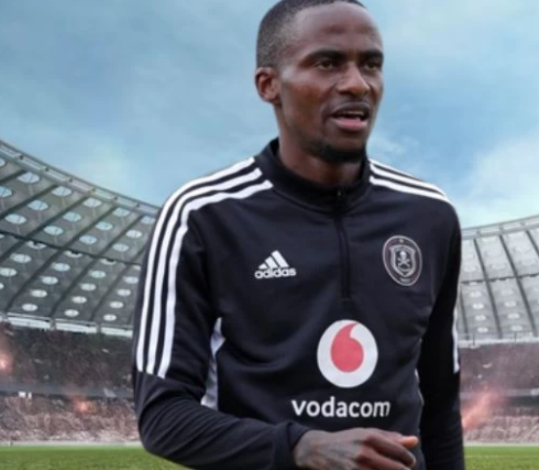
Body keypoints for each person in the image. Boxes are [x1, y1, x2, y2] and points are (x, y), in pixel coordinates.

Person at [131, 1, 465, 469]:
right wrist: (300, 447)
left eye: (371, 64)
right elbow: (163, 416)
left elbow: (441, 401)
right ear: (269, 85)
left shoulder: (430, 215)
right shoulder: (202, 216)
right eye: (328, 63)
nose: (357, 84)